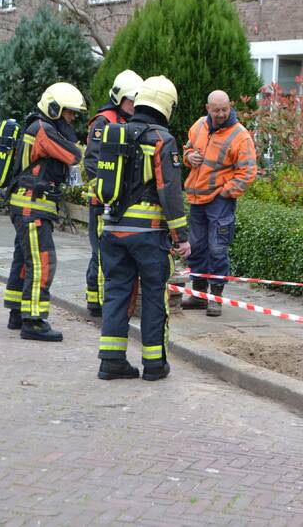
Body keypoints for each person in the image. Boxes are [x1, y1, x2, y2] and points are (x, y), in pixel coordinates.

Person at [97, 76, 190, 381]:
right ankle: (154, 364)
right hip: (148, 236)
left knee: (116, 293)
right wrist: (182, 238)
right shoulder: (162, 139)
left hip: (112, 231)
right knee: (153, 296)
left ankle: (111, 361)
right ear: (166, 106)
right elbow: (169, 192)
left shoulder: (115, 134)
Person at [2, 82, 85, 342]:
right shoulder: (42, 129)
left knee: (25, 261)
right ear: (54, 108)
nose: (72, 118)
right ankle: (34, 321)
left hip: (29, 205)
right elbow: (73, 155)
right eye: (69, 112)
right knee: (42, 262)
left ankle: (18, 313)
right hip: (32, 206)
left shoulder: (41, 126)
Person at [181, 90, 257, 316]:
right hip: (197, 199)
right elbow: (187, 149)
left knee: (217, 249)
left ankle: (215, 298)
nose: (222, 113)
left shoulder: (240, 136)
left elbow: (248, 172)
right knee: (197, 248)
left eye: (225, 109)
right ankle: (198, 294)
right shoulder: (198, 127)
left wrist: (225, 193)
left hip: (219, 202)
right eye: (217, 110)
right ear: (208, 109)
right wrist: (188, 157)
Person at [82, 69, 143, 317]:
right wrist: (109, 189)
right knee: (100, 251)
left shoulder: (129, 123)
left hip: (120, 200)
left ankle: (99, 299)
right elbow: (93, 162)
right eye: (131, 101)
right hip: (102, 200)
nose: (134, 105)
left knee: (108, 252)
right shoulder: (104, 122)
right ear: (119, 98)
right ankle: (97, 303)